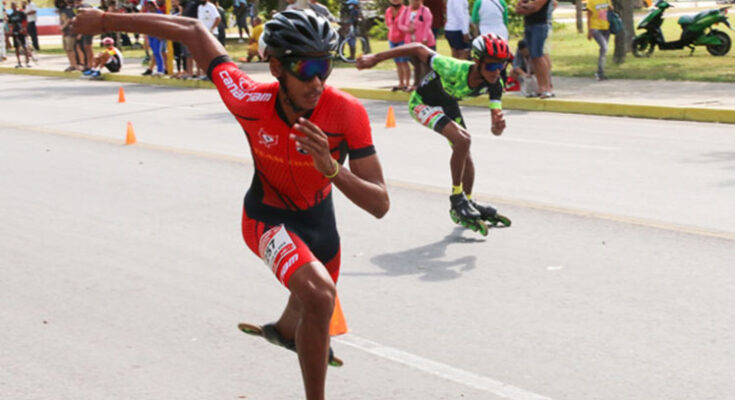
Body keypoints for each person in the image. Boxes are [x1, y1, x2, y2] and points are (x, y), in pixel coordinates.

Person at [71, 8, 389, 400]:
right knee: (319, 296)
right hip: (266, 218)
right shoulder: (248, 99)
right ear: (276, 67)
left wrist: (331, 169)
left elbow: (380, 205)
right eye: (305, 67)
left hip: (322, 226)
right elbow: (191, 29)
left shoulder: (347, 112)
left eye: (325, 65)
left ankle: (287, 331)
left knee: (309, 309)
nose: (318, 81)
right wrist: (104, 21)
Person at [357, 34, 511, 235]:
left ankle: (468, 200)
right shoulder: (452, 67)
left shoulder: (495, 84)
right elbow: (418, 47)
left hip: (447, 103)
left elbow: (495, 129)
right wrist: (375, 58)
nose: (496, 71)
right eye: (491, 66)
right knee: (463, 139)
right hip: (422, 103)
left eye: (502, 65)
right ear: (477, 60)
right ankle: (457, 199)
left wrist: (497, 126)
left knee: (465, 151)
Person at [516, 0, 552, 98]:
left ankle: (547, 87)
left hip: (540, 25)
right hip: (529, 25)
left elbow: (536, 7)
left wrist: (526, 7)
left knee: (538, 55)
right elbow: (518, 9)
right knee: (533, 57)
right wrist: (526, 7)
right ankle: (540, 87)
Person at [385, 0, 411, 91]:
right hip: (392, 39)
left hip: (403, 38)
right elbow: (387, 24)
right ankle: (401, 83)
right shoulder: (388, 10)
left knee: (404, 61)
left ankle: (407, 83)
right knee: (397, 62)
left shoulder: (406, 10)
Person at [586, 0, 612, 80]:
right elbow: (589, 16)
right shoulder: (591, 2)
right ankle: (600, 72)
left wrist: (611, 8)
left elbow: (610, 10)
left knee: (603, 50)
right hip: (596, 28)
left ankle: (600, 72)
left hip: (606, 27)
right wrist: (589, 30)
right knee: (604, 48)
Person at [8, 1, 30, 68]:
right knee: (16, 47)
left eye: (14, 5)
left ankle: (27, 62)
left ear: (16, 6)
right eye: (12, 6)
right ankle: (19, 62)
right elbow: (10, 24)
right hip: (15, 33)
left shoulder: (21, 13)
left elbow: (25, 22)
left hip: (22, 32)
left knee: (24, 46)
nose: (13, 7)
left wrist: (23, 29)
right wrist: (11, 31)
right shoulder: (11, 15)